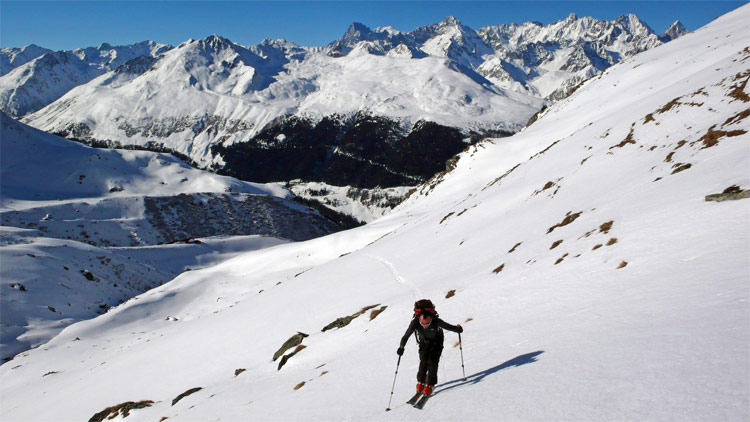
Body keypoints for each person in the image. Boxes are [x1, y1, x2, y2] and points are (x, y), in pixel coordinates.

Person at [397, 299, 463, 398]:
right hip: (424, 343)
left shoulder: (436, 321)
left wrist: (457, 329)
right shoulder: (414, 322)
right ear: (419, 318)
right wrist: (401, 347)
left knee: (433, 362)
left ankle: (430, 384)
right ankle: (420, 382)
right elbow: (406, 336)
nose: (425, 326)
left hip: (437, 342)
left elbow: (448, 327)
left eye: (427, 324)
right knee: (423, 361)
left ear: (431, 318)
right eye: (423, 324)